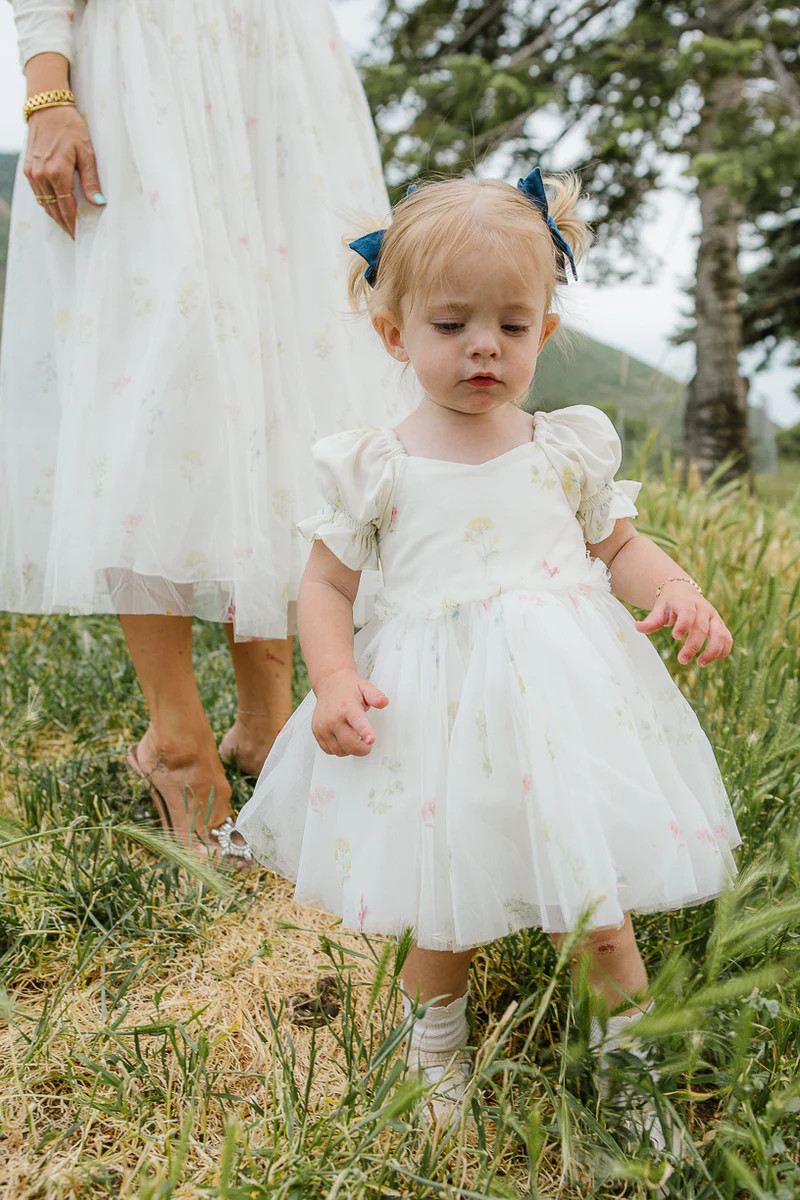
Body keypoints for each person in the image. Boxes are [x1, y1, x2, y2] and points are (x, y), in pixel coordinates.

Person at [234, 166, 741, 1135]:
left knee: (594, 906)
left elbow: (617, 545)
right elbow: (325, 584)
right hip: (434, 715)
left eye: (511, 326)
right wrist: (334, 676)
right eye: (450, 324)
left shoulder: (561, 449)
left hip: (567, 712)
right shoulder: (375, 463)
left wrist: (673, 590)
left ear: (543, 332)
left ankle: (623, 1071)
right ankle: (434, 1047)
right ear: (394, 334)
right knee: (444, 905)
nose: (482, 347)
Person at [1, 1, 404, 859]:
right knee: (159, 375)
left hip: (283, 68)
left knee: (294, 363)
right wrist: (48, 89)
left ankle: (268, 717)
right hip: (145, 66)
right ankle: (177, 741)